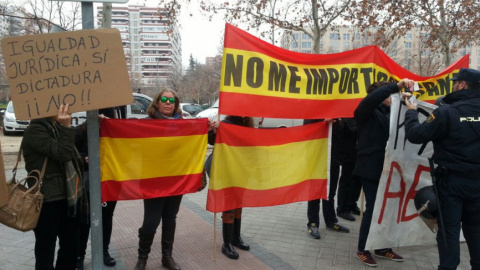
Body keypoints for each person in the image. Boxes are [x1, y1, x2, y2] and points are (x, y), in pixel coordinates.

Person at [404, 68, 480, 270]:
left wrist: (411, 111)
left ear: (462, 85)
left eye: (456, 82)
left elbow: (415, 135)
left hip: (452, 183)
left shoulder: (447, 112)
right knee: (476, 230)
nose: (453, 85)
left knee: (449, 231)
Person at [133, 89, 200, 270]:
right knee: (151, 221)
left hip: (175, 180)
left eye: (172, 100)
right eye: (164, 99)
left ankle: (167, 256)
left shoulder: (183, 124)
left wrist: (209, 127)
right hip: (153, 180)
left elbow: (198, 138)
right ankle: (142, 258)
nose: (168, 102)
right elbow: (130, 142)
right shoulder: (146, 124)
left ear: (176, 104)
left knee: (170, 218)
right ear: (157, 102)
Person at [354, 79, 413, 267]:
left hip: (390, 168)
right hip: (370, 167)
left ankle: (382, 247)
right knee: (373, 209)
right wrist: (396, 86)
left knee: (388, 209)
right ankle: (363, 249)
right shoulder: (366, 111)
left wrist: (405, 100)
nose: (390, 97)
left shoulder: (391, 112)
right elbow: (372, 100)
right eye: (386, 95)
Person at [23, 104, 87, 270]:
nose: (65, 108)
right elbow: (63, 154)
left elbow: (71, 155)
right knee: (46, 250)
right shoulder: (35, 130)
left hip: (69, 197)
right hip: (47, 200)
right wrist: (66, 126)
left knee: (71, 247)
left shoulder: (56, 127)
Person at [75, 108, 118, 270]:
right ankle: (80, 254)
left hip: (109, 184)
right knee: (84, 221)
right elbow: (71, 154)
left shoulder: (116, 132)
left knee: (106, 219)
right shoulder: (80, 131)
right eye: (99, 116)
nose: (102, 120)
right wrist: (85, 158)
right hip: (86, 185)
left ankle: (104, 251)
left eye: (106, 117)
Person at [207, 116, 251, 259]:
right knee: (230, 204)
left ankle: (236, 237)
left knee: (238, 203)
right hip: (224, 168)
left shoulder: (248, 124)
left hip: (240, 168)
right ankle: (227, 244)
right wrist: (215, 130)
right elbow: (212, 141)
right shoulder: (225, 123)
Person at [304, 119, 349, 239]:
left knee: (330, 192)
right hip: (316, 158)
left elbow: (344, 132)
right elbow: (308, 130)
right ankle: (313, 223)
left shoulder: (337, 113)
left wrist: (338, 121)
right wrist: (324, 121)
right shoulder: (313, 110)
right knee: (315, 193)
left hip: (333, 158)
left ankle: (331, 221)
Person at [335, 118, 362, 222]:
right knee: (347, 181)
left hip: (359, 152)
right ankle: (342, 208)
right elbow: (348, 132)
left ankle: (352, 204)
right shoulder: (346, 116)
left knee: (357, 181)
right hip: (348, 153)